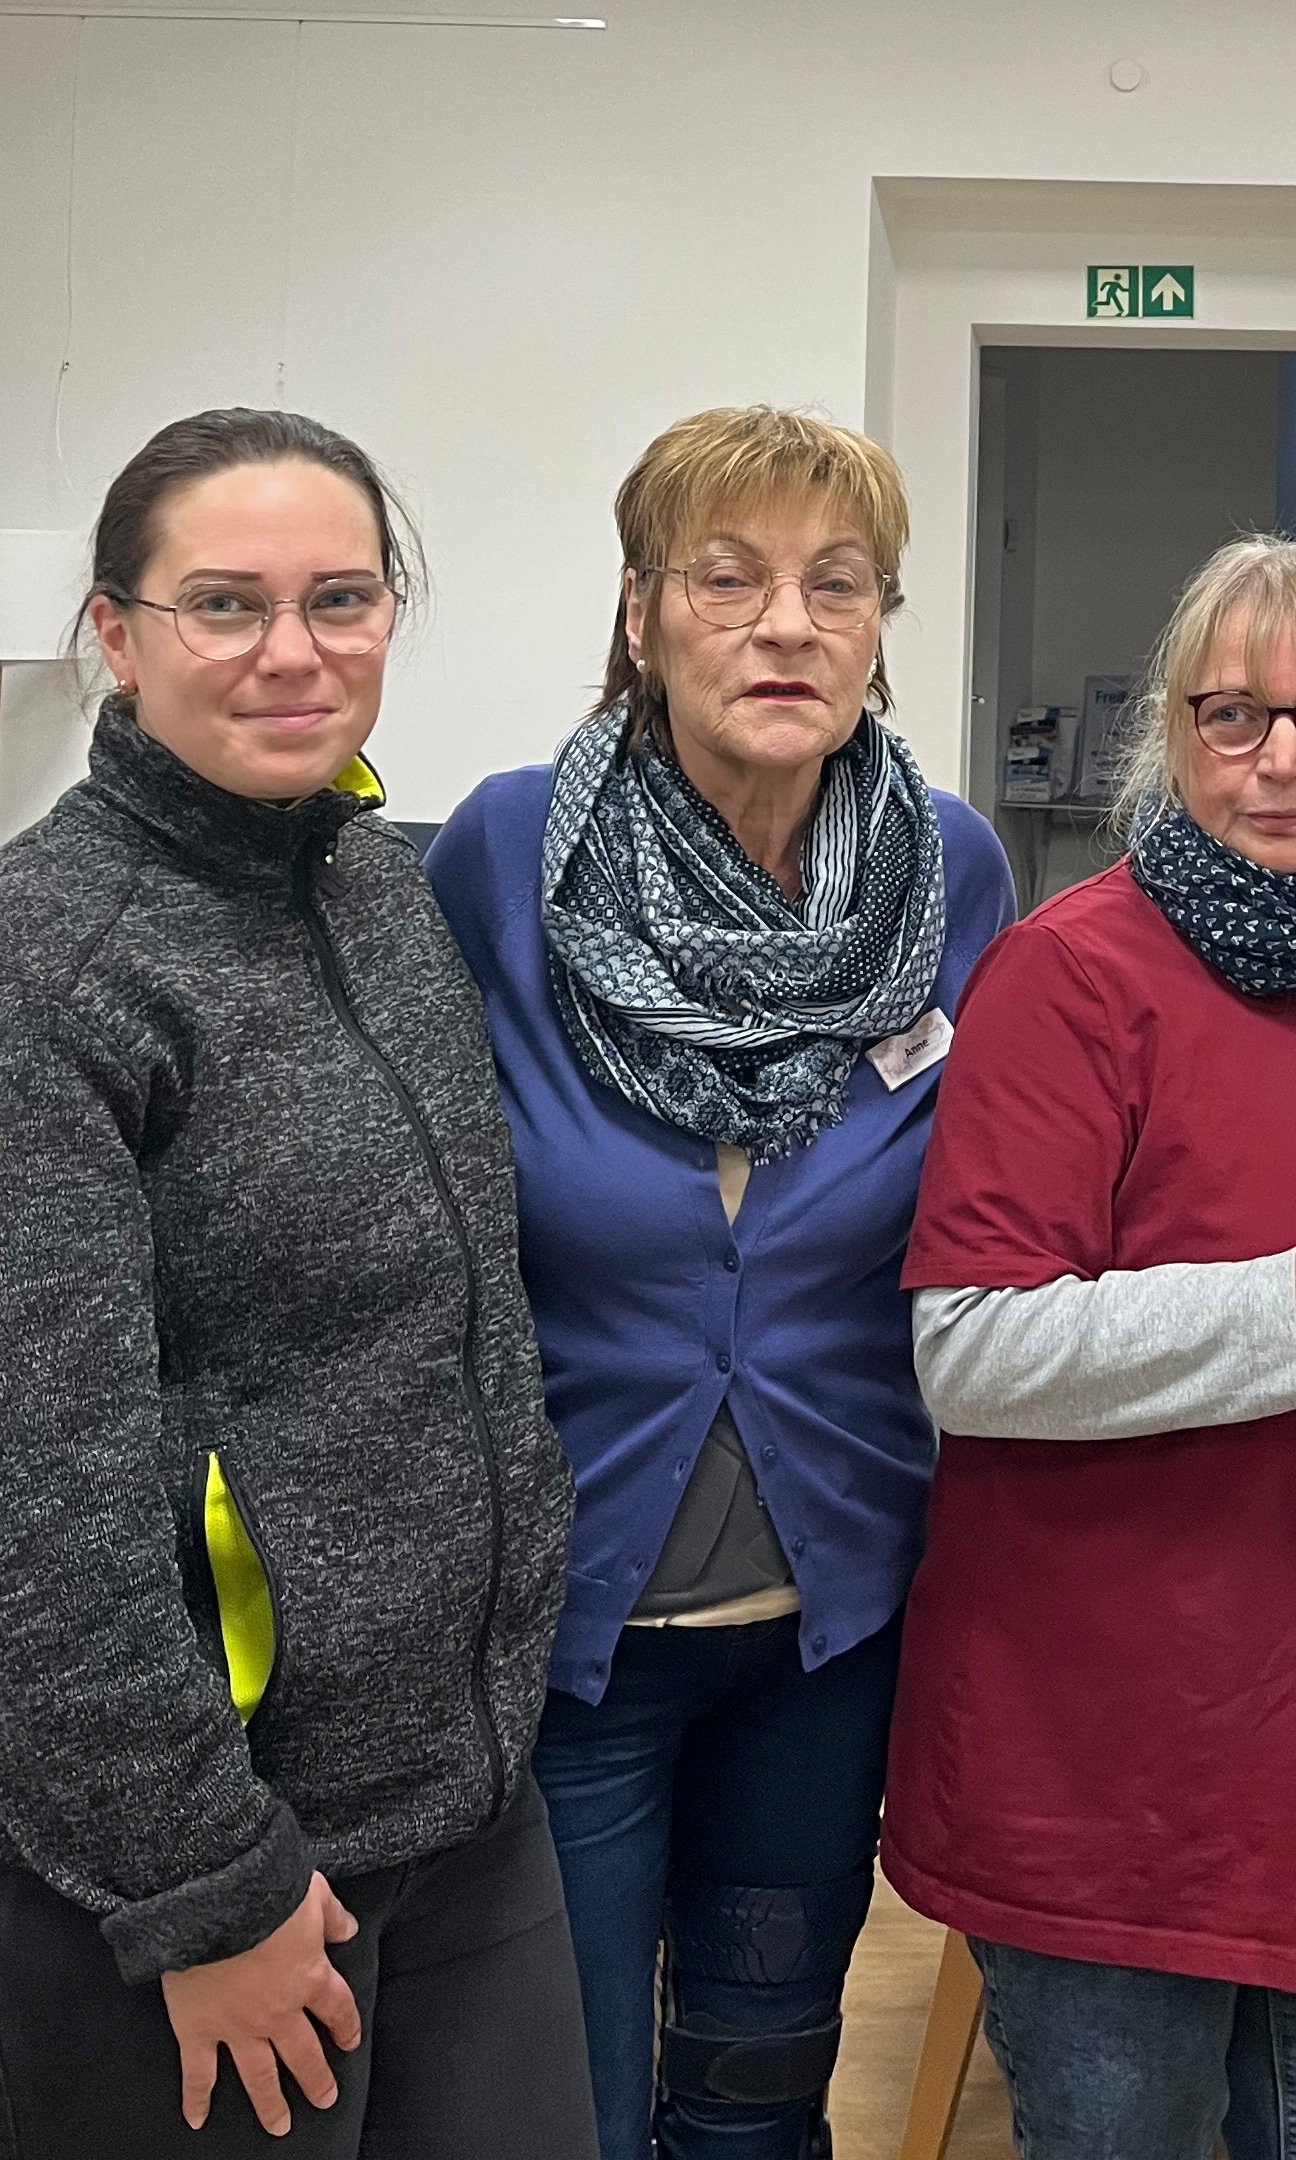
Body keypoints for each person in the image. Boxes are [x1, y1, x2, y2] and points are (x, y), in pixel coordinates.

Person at [0, 408, 594, 2156]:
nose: (293, 651)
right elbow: (16, 1516)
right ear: (115, 632)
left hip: (445, 1813)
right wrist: (198, 1890)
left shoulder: (383, 897)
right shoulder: (15, 988)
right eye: (223, 605)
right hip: (134, 1884)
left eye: (342, 597)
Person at [882, 537, 1296, 2160]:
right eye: (1232, 717)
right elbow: (967, 1348)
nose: (1283, 761)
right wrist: (1281, 1295)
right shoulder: (1069, 973)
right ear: (1171, 736)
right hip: (1120, 1754)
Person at [424, 406, 1014, 2159]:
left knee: (759, 2100)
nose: (787, 625)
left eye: (838, 584)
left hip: (831, 1623)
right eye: (729, 577)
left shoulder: (953, 873)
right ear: (639, 617)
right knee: (576, 2108)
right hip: (573, 1623)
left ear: (881, 626)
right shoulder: (506, 857)